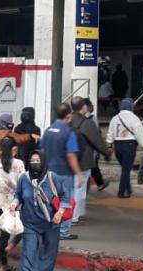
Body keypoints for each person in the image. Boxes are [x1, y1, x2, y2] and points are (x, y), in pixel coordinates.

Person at [14, 150, 71, 271]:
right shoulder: (24, 178)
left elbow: (65, 195)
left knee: (49, 249)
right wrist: (14, 203)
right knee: (29, 247)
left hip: (51, 221)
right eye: (32, 161)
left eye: (38, 161)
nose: (35, 164)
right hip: (30, 221)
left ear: (44, 162)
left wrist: (60, 212)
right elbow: (18, 195)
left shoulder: (52, 178)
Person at [41, 103, 81, 240]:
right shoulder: (68, 132)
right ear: (69, 116)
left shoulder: (48, 130)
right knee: (66, 200)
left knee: (50, 200)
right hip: (64, 172)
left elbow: (42, 151)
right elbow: (71, 155)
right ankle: (63, 231)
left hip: (49, 172)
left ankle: (49, 227)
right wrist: (79, 173)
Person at [69, 97, 111, 225]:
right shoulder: (86, 122)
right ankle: (75, 216)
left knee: (70, 188)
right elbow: (96, 140)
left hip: (68, 159)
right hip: (83, 160)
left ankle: (72, 214)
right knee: (80, 189)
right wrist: (106, 153)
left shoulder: (67, 120)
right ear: (84, 107)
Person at [0, 136, 25, 271]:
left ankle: (3, 264)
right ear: (14, 148)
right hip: (17, 203)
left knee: (4, 233)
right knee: (22, 227)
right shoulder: (19, 163)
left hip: (1, 203)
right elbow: (23, 182)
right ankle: (13, 244)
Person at [106, 98, 143, 198]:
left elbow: (110, 133)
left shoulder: (115, 118)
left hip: (117, 146)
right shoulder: (134, 118)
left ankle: (128, 189)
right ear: (131, 107)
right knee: (126, 170)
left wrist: (109, 144)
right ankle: (121, 192)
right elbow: (140, 133)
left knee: (125, 169)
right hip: (129, 145)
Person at [83, 98, 110, 191]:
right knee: (92, 166)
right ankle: (99, 183)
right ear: (87, 107)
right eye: (91, 105)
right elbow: (96, 134)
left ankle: (99, 183)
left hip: (80, 149)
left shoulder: (76, 118)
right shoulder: (92, 118)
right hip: (90, 148)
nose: (93, 107)